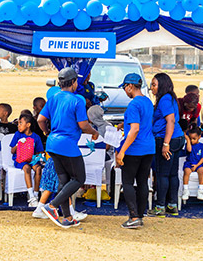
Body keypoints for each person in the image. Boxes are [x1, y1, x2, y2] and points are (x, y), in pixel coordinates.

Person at [37, 67, 100, 229]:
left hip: (52, 144)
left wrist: (47, 132)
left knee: (64, 181)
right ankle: (52, 206)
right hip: (68, 145)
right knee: (79, 179)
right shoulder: (77, 100)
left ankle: (68, 218)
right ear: (73, 82)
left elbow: (40, 119)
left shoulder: (53, 98)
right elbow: (83, 125)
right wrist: (94, 132)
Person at [115, 73, 155, 229]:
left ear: (130, 86)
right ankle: (140, 215)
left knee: (127, 182)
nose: (125, 91)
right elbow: (142, 123)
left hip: (134, 149)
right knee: (143, 182)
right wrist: (123, 124)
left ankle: (133, 216)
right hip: (148, 147)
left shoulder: (133, 105)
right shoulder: (147, 102)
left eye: (125, 87)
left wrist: (122, 151)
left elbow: (135, 129)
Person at [148, 72, 184, 217]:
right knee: (173, 174)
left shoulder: (164, 99)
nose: (151, 88)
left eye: (154, 85)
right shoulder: (170, 98)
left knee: (162, 174)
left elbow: (170, 121)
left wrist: (166, 143)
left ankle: (160, 207)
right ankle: (172, 205)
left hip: (167, 138)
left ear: (162, 85)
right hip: (177, 138)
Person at [10, 114, 44, 207]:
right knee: (27, 168)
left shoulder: (36, 137)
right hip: (20, 160)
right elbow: (12, 151)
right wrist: (18, 144)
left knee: (38, 169)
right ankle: (31, 196)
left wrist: (39, 158)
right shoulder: (18, 135)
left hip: (32, 159)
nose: (18, 125)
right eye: (18, 123)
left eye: (21, 123)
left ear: (28, 125)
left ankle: (36, 195)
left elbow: (39, 151)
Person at [182, 127, 203, 201]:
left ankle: (200, 190)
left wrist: (196, 165)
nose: (192, 140)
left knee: (201, 171)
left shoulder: (202, 146)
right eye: (190, 138)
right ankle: (186, 190)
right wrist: (187, 140)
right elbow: (189, 150)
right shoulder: (188, 144)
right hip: (189, 163)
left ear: (199, 137)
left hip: (199, 164)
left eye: (194, 139)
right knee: (186, 171)